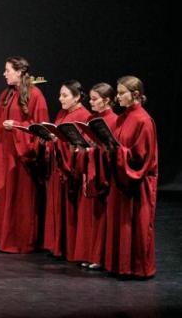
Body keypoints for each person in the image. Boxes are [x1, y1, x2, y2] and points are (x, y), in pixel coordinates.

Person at [0, 56, 49, 253]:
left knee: (19, 196)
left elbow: (40, 127)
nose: (4, 74)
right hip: (4, 153)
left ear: (20, 72)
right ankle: (2, 238)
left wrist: (17, 126)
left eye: (8, 70)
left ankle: (19, 240)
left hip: (21, 156)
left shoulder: (35, 94)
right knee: (3, 193)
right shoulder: (6, 94)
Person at [104, 76, 158, 279]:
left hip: (136, 182)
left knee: (135, 225)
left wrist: (118, 152)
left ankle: (136, 268)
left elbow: (141, 157)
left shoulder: (143, 120)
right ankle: (120, 265)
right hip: (120, 179)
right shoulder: (122, 117)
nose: (117, 97)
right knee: (120, 223)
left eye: (121, 93)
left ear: (135, 94)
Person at [43, 80, 91, 261]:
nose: (60, 99)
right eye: (60, 95)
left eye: (65, 95)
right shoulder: (62, 113)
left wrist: (60, 142)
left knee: (69, 209)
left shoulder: (84, 116)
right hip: (58, 168)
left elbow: (80, 144)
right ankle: (57, 245)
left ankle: (68, 248)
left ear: (77, 97)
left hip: (70, 170)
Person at [74, 82, 118, 270]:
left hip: (102, 175)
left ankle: (99, 257)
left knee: (100, 216)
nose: (90, 102)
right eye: (90, 99)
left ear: (106, 100)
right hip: (89, 172)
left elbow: (112, 150)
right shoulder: (91, 119)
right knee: (87, 215)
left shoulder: (114, 120)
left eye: (94, 99)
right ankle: (87, 253)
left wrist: (93, 151)